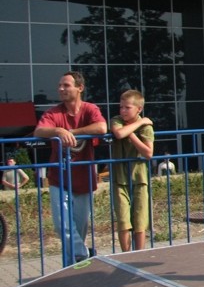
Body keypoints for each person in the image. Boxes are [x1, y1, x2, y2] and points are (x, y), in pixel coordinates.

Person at [33, 71, 107, 265]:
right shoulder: (54, 112)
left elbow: (101, 127)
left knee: (80, 227)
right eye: (60, 85)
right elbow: (39, 130)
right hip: (59, 177)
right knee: (62, 226)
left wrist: (72, 132)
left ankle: (75, 266)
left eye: (66, 85)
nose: (61, 89)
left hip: (84, 178)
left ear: (79, 88)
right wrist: (58, 130)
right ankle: (83, 256)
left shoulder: (90, 109)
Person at [110, 90, 154, 252]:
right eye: (121, 107)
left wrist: (133, 135)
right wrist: (138, 125)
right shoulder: (117, 120)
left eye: (127, 108)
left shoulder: (146, 127)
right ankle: (126, 254)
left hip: (139, 178)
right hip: (120, 179)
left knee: (140, 220)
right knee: (123, 220)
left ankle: (139, 254)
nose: (122, 111)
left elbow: (148, 153)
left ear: (138, 109)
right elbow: (119, 133)